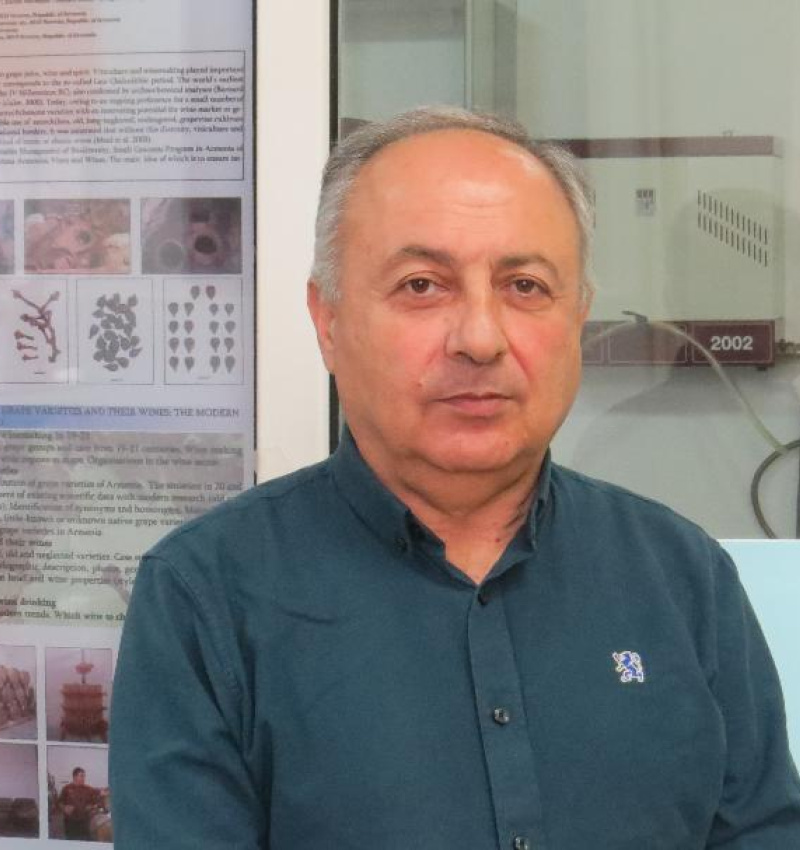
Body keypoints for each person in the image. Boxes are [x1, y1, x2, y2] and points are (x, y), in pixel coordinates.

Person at [109, 107, 800, 848]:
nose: (479, 338)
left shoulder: (682, 577)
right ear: (328, 320)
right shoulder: (207, 596)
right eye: (421, 285)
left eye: (525, 286)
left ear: (579, 318)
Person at [59, 767, 103, 841]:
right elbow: (59, 802)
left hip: (84, 822)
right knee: (72, 842)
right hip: (70, 822)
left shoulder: (88, 789)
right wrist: (64, 808)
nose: (83, 778)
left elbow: (99, 793)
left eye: (84, 776)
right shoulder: (66, 788)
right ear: (74, 777)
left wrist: (93, 806)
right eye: (82, 776)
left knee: (85, 841)